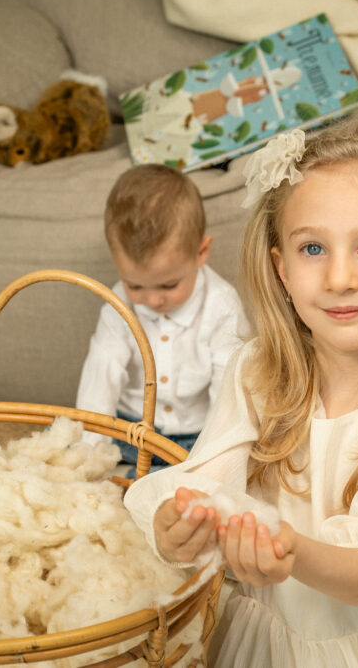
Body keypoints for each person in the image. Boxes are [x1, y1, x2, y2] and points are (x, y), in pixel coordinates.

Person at [124, 115, 358, 667]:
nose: (339, 277)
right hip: (261, 638)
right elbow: (207, 482)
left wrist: (286, 548)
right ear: (282, 270)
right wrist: (178, 526)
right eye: (313, 249)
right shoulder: (257, 371)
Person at [76, 164, 246, 476]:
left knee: (232, 463)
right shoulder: (118, 302)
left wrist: (211, 455)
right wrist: (88, 446)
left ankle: (147, 481)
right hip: (129, 428)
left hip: (193, 437)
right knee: (62, 444)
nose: (152, 301)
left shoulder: (221, 305)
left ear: (201, 252)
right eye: (135, 285)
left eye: (168, 285)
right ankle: (134, 478)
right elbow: (102, 373)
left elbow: (228, 390)